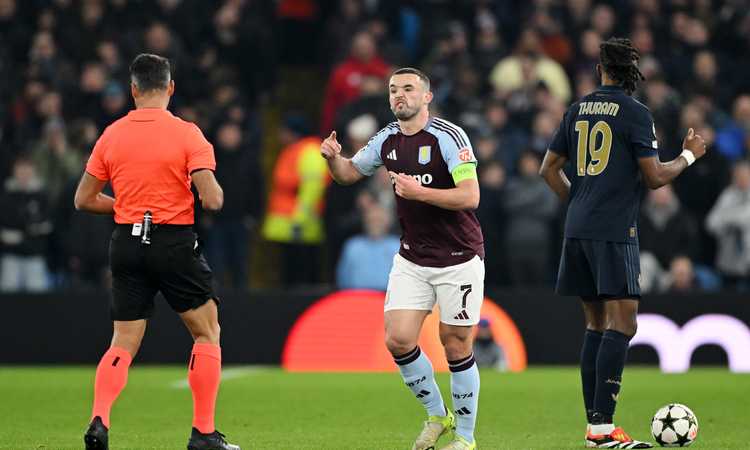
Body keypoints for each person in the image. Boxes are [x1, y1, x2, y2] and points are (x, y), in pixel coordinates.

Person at [539, 38, 706, 449]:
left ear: (600, 69)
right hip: (614, 232)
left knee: (595, 324)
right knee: (624, 323)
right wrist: (689, 157)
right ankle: (602, 429)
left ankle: (596, 429)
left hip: (577, 229)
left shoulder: (576, 109)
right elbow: (654, 177)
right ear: (633, 73)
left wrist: (578, 202)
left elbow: (548, 169)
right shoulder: (635, 113)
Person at [73, 54, 239, 450]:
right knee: (207, 333)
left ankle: (100, 418)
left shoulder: (112, 134)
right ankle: (203, 433)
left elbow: (83, 198)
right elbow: (212, 199)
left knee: (123, 341)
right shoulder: (187, 134)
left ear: (132, 90)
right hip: (173, 241)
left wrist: (131, 208)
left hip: (127, 242)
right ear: (170, 88)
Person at [321, 67, 484, 450]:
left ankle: (465, 437)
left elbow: (470, 196)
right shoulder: (386, 138)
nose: (399, 96)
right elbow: (348, 174)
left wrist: (419, 193)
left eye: (408, 89)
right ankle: (437, 415)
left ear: (426, 96)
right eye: (394, 90)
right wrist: (333, 158)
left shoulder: (449, 137)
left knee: (456, 344)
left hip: (458, 257)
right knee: (398, 340)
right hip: (412, 257)